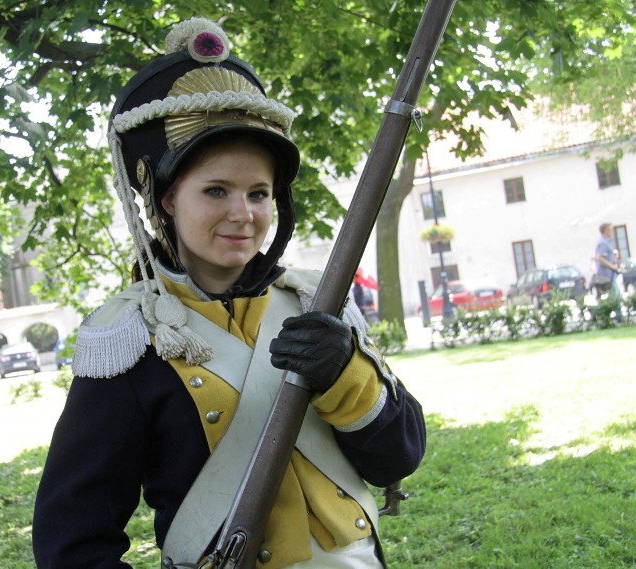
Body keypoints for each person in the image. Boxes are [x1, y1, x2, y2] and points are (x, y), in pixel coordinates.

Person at [32, 18, 426, 569]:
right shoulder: (126, 339)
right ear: (166, 200)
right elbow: (71, 540)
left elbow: (398, 458)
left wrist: (347, 375)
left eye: (258, 193)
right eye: (216, 190)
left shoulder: (319, 306)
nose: (242, 214)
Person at [593, 223, 622, 298]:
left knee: (615, 296)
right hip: (606, 275)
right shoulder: (603, 243)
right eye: (611, 230)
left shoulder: (607, 242)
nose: (612, 232)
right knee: (615, 297)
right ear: (606, 231)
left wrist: (614, 256)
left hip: (610, 275)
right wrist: (613, 267)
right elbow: (600, 258)